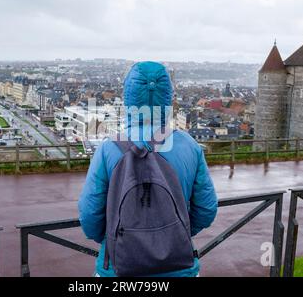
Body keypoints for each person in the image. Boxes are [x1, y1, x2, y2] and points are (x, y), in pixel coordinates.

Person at [78, 61, 217, 277]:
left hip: (118, 267)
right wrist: (175, 234)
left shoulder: (109, 148)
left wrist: (115, 238)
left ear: (128, 97)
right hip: (179, 267)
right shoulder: (189, 145)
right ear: (168, 97)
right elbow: (206, 210)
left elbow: (89, 215)